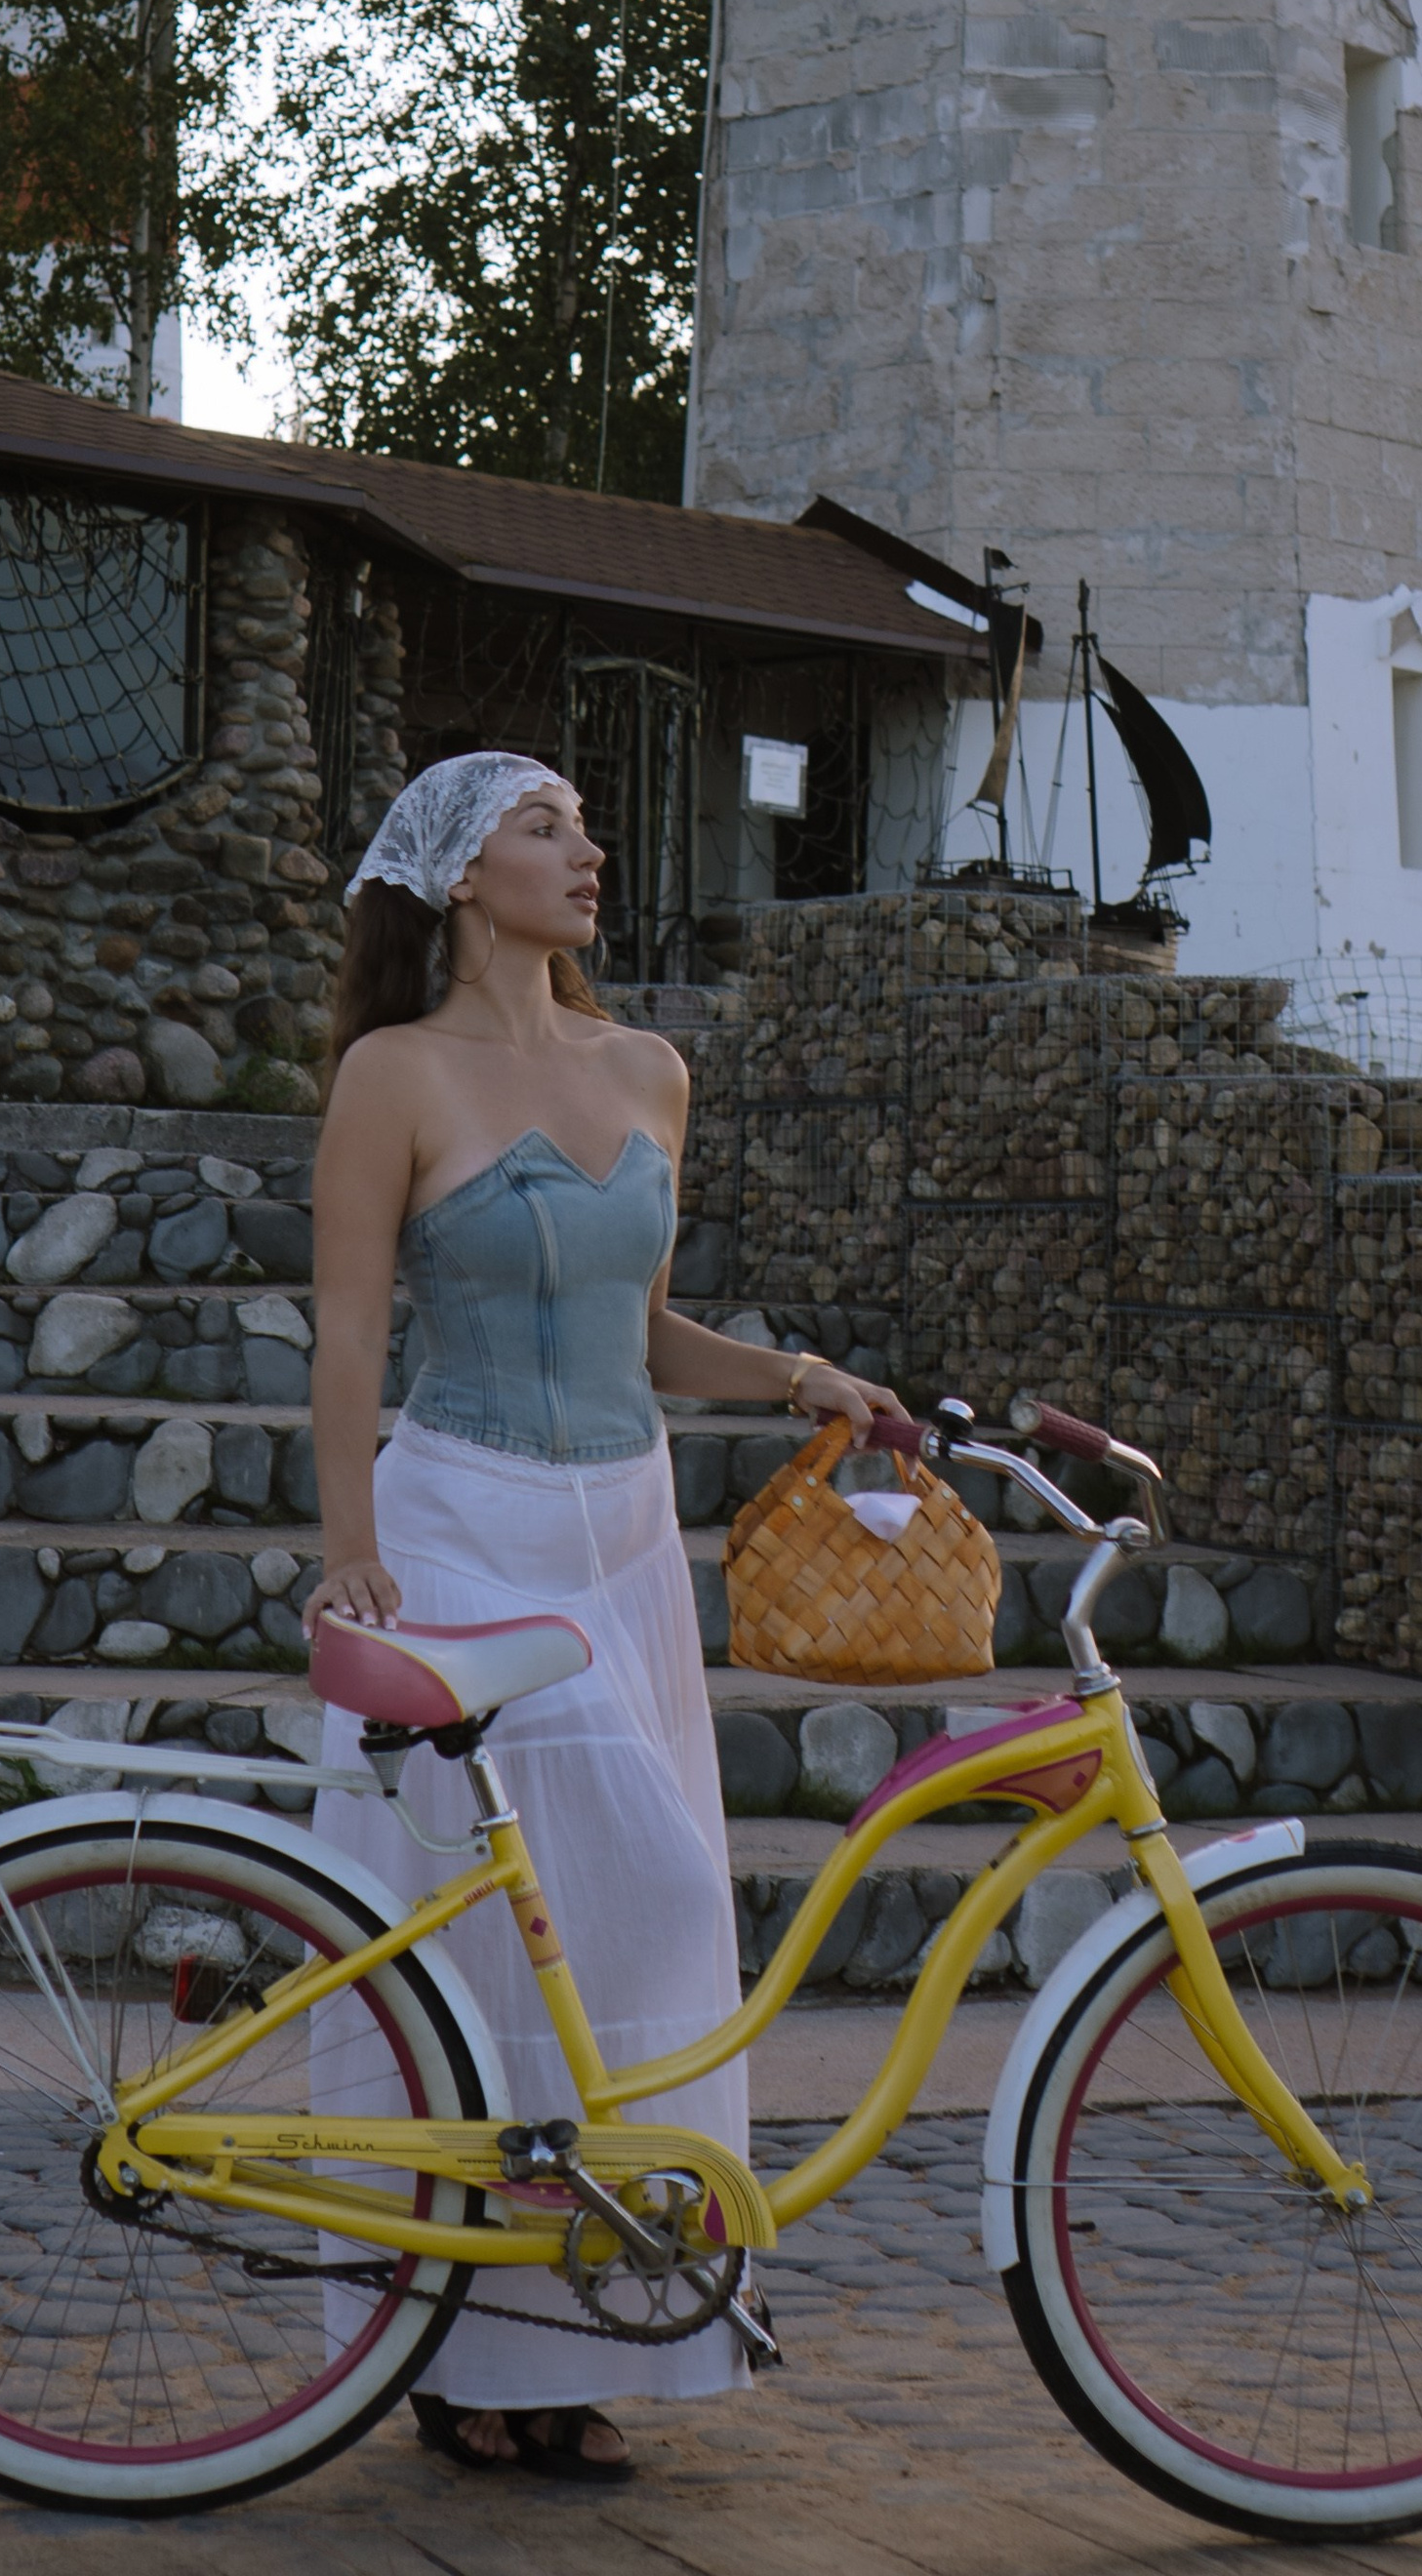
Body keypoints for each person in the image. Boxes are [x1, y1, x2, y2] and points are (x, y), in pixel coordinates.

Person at [305, 750, 905, 2482]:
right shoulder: (393, 1075)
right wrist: (347, 1542)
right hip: (455, 1532)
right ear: (456, 875)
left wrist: (805, 1378)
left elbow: (654, 1341)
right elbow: (349, 1337)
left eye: (586, 821)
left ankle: (568, 2333)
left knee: (637, 1940)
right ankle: (447, 2333)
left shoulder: (653, 1069)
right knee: (496, 1933)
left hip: (626, 1541)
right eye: (544, 825)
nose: (590, 848)